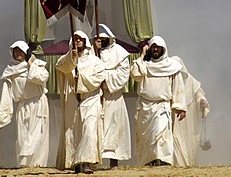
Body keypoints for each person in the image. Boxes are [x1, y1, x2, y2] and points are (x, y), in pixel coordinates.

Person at [130, 35, 186, 166]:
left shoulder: (171, 66)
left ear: (163, 49)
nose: (155, 49)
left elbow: (178, 87)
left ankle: (162, 160)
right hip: (145, 106)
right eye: (153, 47)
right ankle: (150, 161)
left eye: (158, 47)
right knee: (148, 137)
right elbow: (135, 75)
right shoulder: (144, 65)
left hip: (162, 105)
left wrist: (180, 107)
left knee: (160, 132)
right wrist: (142, 55)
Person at [55, 30, 105, 174]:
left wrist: (81, 80)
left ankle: (85, 161)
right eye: (75, 39)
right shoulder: (68, 59)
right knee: (74, 132)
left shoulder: (95, 61)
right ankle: (76, 162)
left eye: (80, 39)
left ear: (85, 42)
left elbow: (99, 78)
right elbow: (61, 66)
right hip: (73, 100)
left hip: (90, 99)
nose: (78, 41)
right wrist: (72, 58)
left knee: (89, 129)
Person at [0, 40, 49, 167]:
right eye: (15, 51)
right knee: (22, 137)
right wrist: (4, 115)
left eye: (20, 51)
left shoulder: (37, 64)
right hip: (21, 106)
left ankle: (37, 164)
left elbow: (41, 78)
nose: (18, 53)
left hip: (37, 104)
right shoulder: (10, 70)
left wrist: (31, 64)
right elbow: (7, 93)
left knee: (36, 135)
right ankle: (24, 164)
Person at [91, 24, 131, 169]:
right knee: (95, 128)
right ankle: (93, 160)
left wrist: (104, 77)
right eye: (97, 39)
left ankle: (114, 161)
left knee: (115, 127)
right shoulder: (92, 54)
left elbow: (122, 75)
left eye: (103, 39)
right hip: (96, 96)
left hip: (113, 97)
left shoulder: (120, 53)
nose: (100, 41)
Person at [171, 56, 210, 166]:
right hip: (175, 119)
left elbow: (199, 94)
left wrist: (202, 101)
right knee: (176, 141)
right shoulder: (169, 82)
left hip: (190, 121)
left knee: (189, 143)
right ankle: (177, 165)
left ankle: (188, 165)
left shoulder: (191, 81)